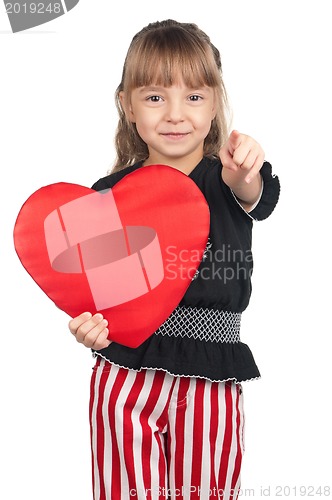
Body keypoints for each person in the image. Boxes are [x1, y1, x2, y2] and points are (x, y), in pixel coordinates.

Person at [68, 19, 280, 500]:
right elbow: (95, 294)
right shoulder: (107, 196)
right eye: (156, 97)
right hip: (125, 376)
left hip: (211, 376)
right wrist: (88, 326)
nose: (175, 114)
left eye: (194, 97)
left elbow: (252, 188)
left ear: (214, 103)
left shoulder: (227, 179)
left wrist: (248, 164)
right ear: (128, 105)